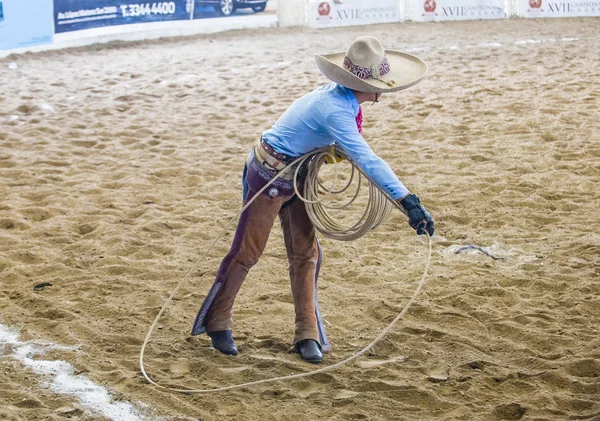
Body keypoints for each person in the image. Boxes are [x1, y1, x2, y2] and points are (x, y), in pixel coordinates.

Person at [191, 36, 434, 364]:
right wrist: (408, 201)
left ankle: (307, 331)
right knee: (248, 251)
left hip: (296, 173)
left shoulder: (340, 102)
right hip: (270, 175)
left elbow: (346, 147)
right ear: (367, 85)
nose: (382, 92)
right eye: (379, 85)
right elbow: (367, 158)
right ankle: (217, 321)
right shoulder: (336, 110)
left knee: (307, 253)